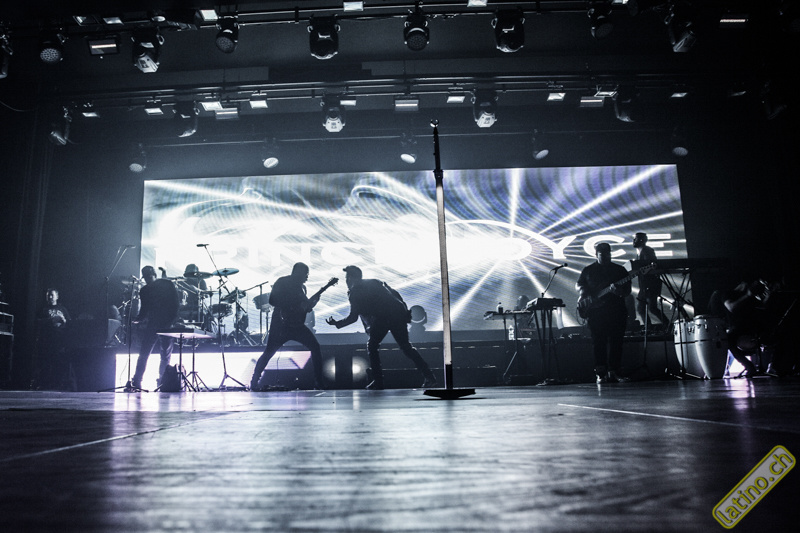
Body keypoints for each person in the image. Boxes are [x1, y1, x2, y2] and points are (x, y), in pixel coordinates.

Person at [326, 265, 437, 390]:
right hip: (397, 314)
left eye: (347, 278)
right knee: (406, 347)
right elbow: (395, 295)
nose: (346, 281)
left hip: (383, 317)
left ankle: (378, 381)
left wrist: (337, 324)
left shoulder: (355, 292)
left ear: (351, 278)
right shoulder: (375, 282)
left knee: (372, 346)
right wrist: (404, 312)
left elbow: (353, 317)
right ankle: (430, 377)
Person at [250, 263, 326, 390]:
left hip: (296, 326)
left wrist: (314, 301)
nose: (307, 277)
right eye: (305, 274)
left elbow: (305, 308)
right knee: (269, 352)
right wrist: (291, 304)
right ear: (297, 272)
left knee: (315, 347)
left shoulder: (302, 288)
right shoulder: (282, 282)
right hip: (280, 326)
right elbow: (272, 300)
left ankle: (319, 382)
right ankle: (254, 382)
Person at [577, 242, 632, 384]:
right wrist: (584, 294)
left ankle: (615, 371)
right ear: (596, 255)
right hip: (595, 312)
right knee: (598, 342)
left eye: (607, 254)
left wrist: (618, 292)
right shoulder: (588, 270)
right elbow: (579, 284)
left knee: (616, 342)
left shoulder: (619, 270)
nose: (605, 256)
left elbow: (627, 290)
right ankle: (600, 373)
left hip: (616, 311)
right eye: (602, 254)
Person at [131, 266, 180, 390]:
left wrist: (139, 319)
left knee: (153, 353)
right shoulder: (161, 286)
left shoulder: (158, 287)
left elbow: (175, 304)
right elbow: (145, 309)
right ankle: (152, 381)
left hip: (160, 323)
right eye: (146, 278)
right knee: (156, 354)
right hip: (159, 323)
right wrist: (139, 319)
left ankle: (148, 380)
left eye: (148, 277)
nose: (148, 280)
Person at [34, 288, 73, 389]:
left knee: (59, 362)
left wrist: (63, 320)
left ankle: (58, 384)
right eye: (48, 295)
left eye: (52, 295)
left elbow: (70, 323)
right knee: (46, 363)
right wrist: (51, 320)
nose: (50, 297)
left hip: (60, 340)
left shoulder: (63, 309)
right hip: (47, 340)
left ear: (57, 296)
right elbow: (37, 323)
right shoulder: (43, 309)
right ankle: (44, 384)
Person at [632, 232, 669, 330]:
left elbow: (652, 266)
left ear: (641, 240)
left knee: (650, 308)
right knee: (643, 308)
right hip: (644, 285)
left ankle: (667, 325)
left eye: (635, 239)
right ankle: (650, 328)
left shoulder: (647, 251)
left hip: (650, 285)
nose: (633, 241)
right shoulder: (640, 252)